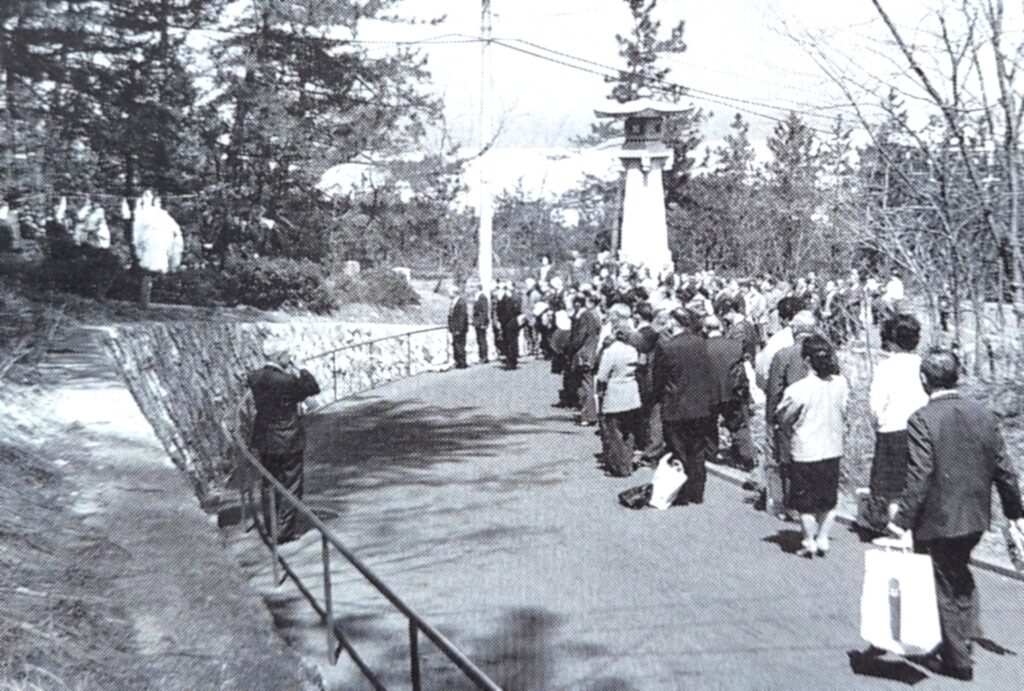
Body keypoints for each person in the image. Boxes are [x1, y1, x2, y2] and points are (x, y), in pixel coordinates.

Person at [887, 349, 1024, 681]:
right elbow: (1005, 469)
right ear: (957, 376)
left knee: (945, 585)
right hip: (976, 515)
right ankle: (967, 631)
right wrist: (1015, 512)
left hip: (939, 518)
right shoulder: (983, 414)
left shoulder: (922, 419)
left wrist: (901, 519)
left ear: (924, 380)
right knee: (959, 571)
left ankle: (957, 660)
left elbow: (920, 475)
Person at [775, 335, 848, 557]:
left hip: (806, 450)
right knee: (828, 499)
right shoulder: (841, 383)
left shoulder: (798, 389)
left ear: (807, 360)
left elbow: (784, 416)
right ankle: (823, 537)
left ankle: (809, 540)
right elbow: (845, 410)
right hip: (833, 446)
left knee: (805, 502)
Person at [247, 340, 321, 544]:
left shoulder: (254, 377)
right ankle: (284, 532)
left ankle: (271, 526)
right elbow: (313, 388)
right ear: (280, 357)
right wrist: (302, 367)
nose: (290, 358)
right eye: (288, 355)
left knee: (269, 483)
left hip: (265, 437)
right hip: (288, 439)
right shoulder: (288, 381)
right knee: (291, 484)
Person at [865, 315, 928, 533]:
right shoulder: (924, 364)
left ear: (891, 340)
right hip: (922, 430)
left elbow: (876, 404)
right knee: (917, 484)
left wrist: (877, 423)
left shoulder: (886, 367)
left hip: (893, 429)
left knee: (894, 490)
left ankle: (898, 531)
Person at [652, 308, 716, 505]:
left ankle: (682, 493)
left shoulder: (667, 347)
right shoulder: (701, 343)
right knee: (697, 449)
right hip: (699, 405)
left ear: (673, 323)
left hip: (675, 405)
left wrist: (657, 397)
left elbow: (659, 378)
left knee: (677, 450)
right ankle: (697, 492)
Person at [763, 311, 817, 516]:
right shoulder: (825, 353)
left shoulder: (784, 355)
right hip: (816, 413)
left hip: (789, 414)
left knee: (784, 458)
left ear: (794, 329)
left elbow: (774, 390)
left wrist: (771, 419)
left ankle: (786, 503)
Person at [596, 304, 645, 477]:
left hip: (615, 392)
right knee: (629, 431)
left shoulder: (611, 351)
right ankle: (628, 462)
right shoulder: (633, 350)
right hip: (632, 392)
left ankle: (618, 466)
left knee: (614, 432)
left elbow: (602, 376)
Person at [704, 316, 755, 471]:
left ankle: (710, 453)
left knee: (709, 425)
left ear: (705, 330)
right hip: (733, 391)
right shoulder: (735, 345)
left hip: (710, 392)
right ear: (721, 327)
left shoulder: (701, 347)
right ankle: (746, 457)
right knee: (739, 425)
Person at [568, 292, 602, 426]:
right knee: (588, 384)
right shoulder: (595, 315)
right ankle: (589, 413)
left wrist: (570, 348)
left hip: (585, 353)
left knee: (585, 385)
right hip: (592, 351)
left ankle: (588, 415)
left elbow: (580, 336)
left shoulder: (585, 316)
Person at [496, 281, 522, 369]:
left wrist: (502, 321)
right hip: (510, 322)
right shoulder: (508, 297)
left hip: (509, 322)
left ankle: (511, 361)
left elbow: (506, 311)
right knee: (510, 342)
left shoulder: (509, 297)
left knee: (510, 342)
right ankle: (512, 360)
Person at [447, 286, 469, 369]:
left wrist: (459, 329)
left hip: (459, 329)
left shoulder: (461, 302)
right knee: (456, 345)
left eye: (450, 292)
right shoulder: (453, 302)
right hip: (454, 328)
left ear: (454, 293)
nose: (449, 294)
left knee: (460, 345)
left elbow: (462, 317)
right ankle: (458, 362)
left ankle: (462, 362)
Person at [472, 285, 490, 363]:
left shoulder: (482, 297)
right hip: (477, 321)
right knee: (479, 339)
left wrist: (483, 322)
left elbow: (484, 311)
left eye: (474, 288)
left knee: (482, 339)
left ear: (478, 288)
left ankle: (484, 356)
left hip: (481, 322)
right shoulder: (477, 297)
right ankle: (481, 356)